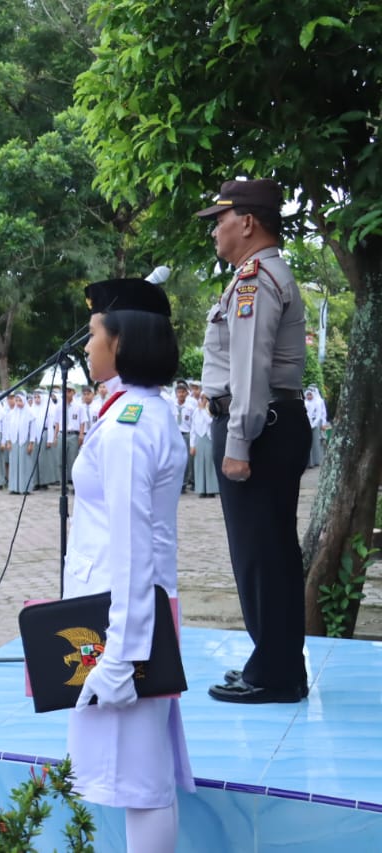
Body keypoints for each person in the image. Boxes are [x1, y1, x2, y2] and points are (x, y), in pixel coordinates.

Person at [66, 276, 193, 853]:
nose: (87, 347)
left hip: (125, 620)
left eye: (94, 334)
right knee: (139, 775)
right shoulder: (141, 410)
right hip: (130, 613)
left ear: (121, 343)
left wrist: (120, 656)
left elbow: (133, 548)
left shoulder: (128, 427)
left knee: (139, 780)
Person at [196, 178, 310, 704]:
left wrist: (237, 443)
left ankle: (273, 672)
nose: (214, 230)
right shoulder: (258, 275)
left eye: (219, 219)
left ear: (246, 222)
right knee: (272, 553)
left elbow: (249, 370)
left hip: (258, 430)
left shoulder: (255, 279)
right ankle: (279, 665)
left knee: (260, 555)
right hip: (272, 425)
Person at [189, 394, 219, 497]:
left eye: (204, 398)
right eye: (201, 398)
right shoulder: (196, 412)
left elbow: (210, 421)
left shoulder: (210, 409)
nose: (202, 400)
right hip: (199, 439)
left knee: (210, 464)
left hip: (209, 438)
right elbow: (192, 429)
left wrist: (203, 410)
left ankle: (211, 489)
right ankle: (201, 489)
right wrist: (192, 445)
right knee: (199, 464)